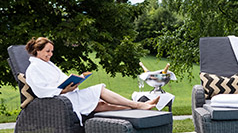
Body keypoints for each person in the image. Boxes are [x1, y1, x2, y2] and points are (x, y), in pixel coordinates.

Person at [24, 37, 159, 122]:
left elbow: (62, 79)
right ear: (37, 50)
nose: (50, 54)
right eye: (48, 51)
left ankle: (138, 108)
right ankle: (137, 105)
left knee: (101, 102)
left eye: (52, 51)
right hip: (59, 101)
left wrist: (75, 81)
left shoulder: (49, 65)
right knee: (100, 95)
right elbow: (41, 91)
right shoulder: (33, 69)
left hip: (69, 95)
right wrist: (62, 91)